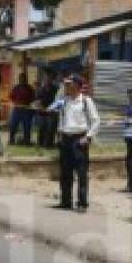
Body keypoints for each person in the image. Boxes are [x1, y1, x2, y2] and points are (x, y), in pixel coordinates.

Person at [49, 75, 100, 212]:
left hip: (79, 139)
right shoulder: (64, 101)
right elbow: (53, 107)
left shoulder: (86, 101)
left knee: (81, 173)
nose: (68, 86)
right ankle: (66, 201)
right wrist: (58, 135)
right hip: (65, 139)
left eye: (70, 84)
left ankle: (82, 203)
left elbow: (95, 120)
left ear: (77, 86)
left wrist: (88, 137)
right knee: (65, 172)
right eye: (67, 84)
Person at [8, 72, 36, 145]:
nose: (22, 80)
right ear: (19, 79)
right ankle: (11, 140)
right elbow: (11, 97)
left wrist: (29, 105)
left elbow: (33, 98)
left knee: (27, 127)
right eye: (21, 79)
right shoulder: (16, 87)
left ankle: (27, 141)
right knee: (13, 125)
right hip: (17, 110)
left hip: (27, 110)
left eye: (23, 79)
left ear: (26, 80)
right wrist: (14, 104)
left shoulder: (29, 88)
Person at [36, 71, 58, 149]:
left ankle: (49, 145)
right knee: (41, 128)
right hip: (42, 112)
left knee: (50, 129)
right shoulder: (40, 89)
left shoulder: (55, 89)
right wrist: (42, 108)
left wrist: (50, 108)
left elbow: (57, 100)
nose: (47, 80)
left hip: (52, 112)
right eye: (45, 78)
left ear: (51, 79)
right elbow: (38, 100)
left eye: (49, 78)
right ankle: (40, 144)